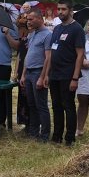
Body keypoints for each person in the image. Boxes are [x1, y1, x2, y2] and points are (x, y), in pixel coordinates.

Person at [41, 0, 85, 146]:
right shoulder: (57, 28)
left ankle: (70, 138)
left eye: (63, 9)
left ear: (71, 11)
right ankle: (57, 136)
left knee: (68, 105)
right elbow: (51, 52)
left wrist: (75, 78)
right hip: (55, 74)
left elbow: (80, 54)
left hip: (68, 74)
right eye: (58, 9)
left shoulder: (77, 29)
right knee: (56, 105)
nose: (60, 12)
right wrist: (47, 74)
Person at [19, 8, 51, 142]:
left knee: (41, 105)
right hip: (29, 72)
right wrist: (23, 74)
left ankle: (44, 135)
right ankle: (33, 132)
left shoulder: (47, 35)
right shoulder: (32, 34)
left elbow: (48, 58)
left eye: (31, 19)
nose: (28, 22)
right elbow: (28, 55)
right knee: (31, 104)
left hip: (38, 72)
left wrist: (42, 77)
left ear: (40, 18)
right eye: (27, 19)